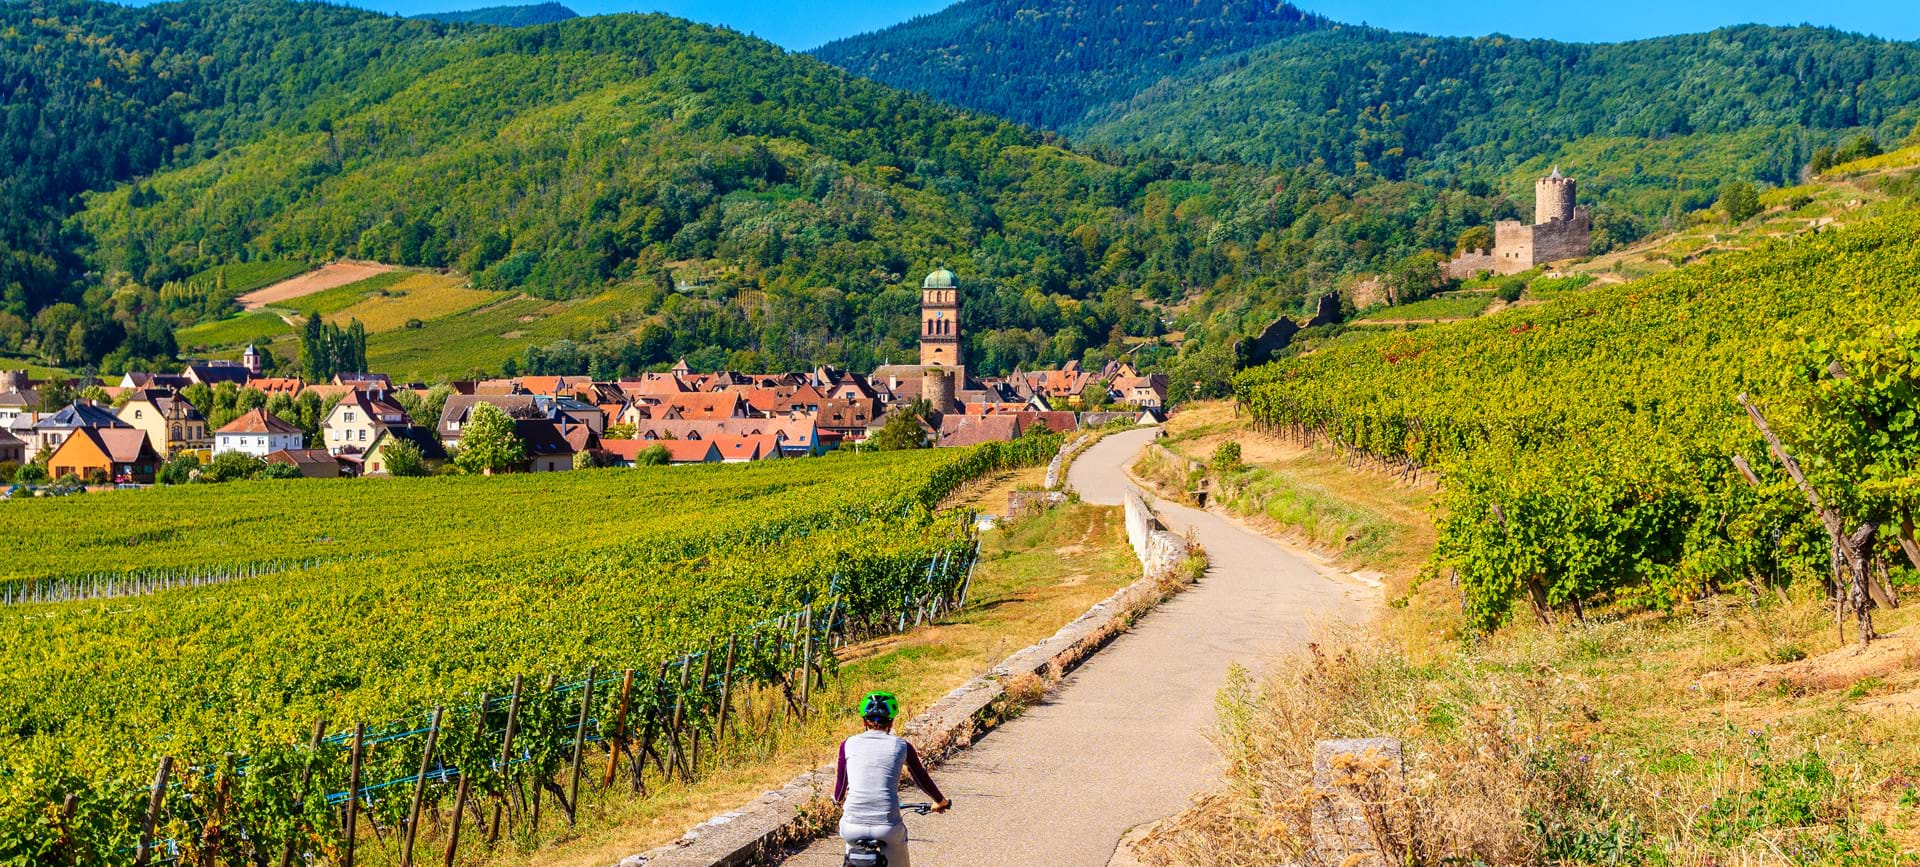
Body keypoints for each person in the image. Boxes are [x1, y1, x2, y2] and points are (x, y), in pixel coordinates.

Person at [832, 691, 951, 866]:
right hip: (887, 827)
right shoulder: (901, 746)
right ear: (892, 721)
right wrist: (940, 801)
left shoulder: (848, 744)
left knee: (850, 854)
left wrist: (837, 800)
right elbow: (921, 778)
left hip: (852, 827)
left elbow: (840, 788)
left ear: (864, 720)